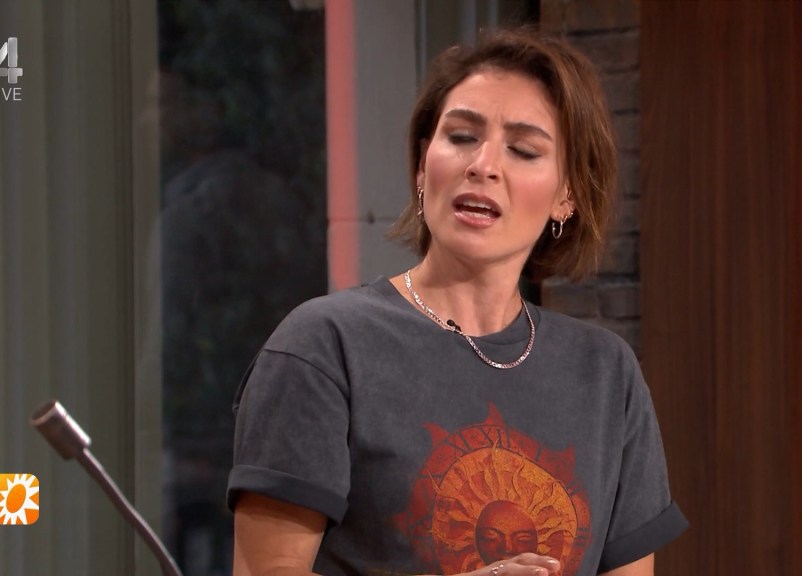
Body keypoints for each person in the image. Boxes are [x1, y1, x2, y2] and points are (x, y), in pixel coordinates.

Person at [226, 28, 687, 576]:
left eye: (523, 150)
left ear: (567, 195)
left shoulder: (607, 373)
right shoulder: (324, 346)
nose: (483, 164)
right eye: (462, 136)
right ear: (424, 165)